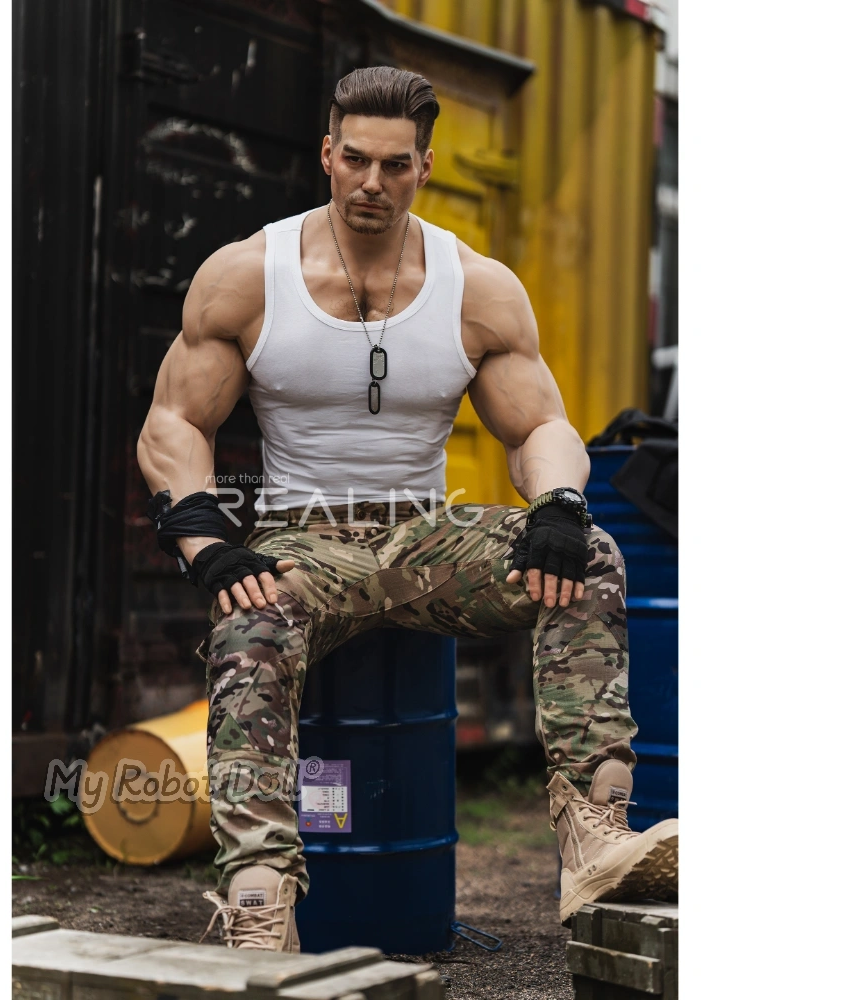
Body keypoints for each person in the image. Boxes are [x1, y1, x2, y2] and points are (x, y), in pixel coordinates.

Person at [137, 66, 677, 953]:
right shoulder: (249, 275)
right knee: (249, 625)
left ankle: (594, 830)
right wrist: (204, 541)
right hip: (304, 540)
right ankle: (260, 902)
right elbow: (174, 422)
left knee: (591, 557)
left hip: (426, 536)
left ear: (424, 166)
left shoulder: (476, 286)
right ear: (327, 154)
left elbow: (539, 425)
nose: (372, 183)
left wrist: (558, 502)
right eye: (356, 159)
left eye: (395, 165)